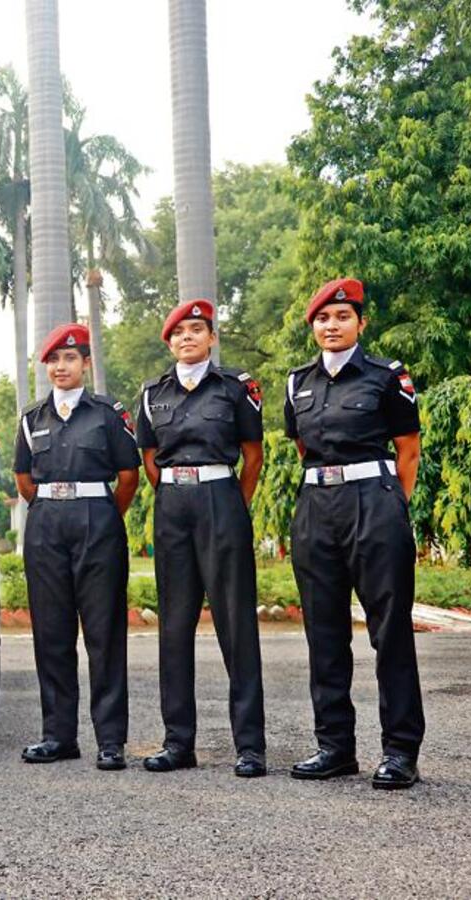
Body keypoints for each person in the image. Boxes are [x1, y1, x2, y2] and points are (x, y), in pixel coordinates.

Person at [285, 277, 425, 790]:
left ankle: (400, 750)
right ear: (314, 328)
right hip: (317, 507)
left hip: (375, 504)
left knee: (389, 630)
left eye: (342, 317)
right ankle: (335, 747)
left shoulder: (387, 377)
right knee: (323, 632)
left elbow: (407, 449)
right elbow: (304, 447)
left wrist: (391, 504)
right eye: (323, 319)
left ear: (360, 324)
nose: (332, 326)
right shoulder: (297, 383)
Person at [134, 300, 267, 777]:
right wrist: (176, 492)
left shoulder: (235, 388)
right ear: (168, 342)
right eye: (179, 332)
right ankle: (177, 742)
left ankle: (250, 746)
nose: (187, 338)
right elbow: (150, 457)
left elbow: (253, 454)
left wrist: (233, 503)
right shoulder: (152, 393)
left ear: (212, 338)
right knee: (173, 625)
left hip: (220, 499)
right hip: (173, 506)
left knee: (236, 624)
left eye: (197, 329)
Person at [13, 323, 141, 771]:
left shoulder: (108, 413)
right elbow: (23, 479)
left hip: (97, 522)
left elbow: (129, 476)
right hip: (46, 525)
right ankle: (58, 735)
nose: (60, 367)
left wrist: (104, 516)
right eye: (53, 360)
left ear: (85, 364)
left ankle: (110, 740)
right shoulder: (32, 418)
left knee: (104, 634)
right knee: (51, 634)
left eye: (69, 359)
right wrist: (55, 508)